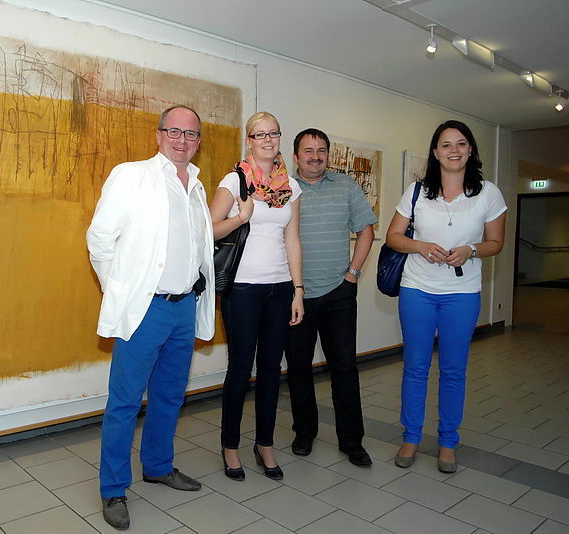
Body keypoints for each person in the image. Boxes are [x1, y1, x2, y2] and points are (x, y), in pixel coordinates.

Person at [86, 105, 215, 530]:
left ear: (198, 142)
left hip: (184, 307)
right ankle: (113, 488)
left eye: (190, 134)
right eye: (174, 131)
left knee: (170, 396)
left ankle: (158, 466)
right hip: (146, 309)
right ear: (158, 135)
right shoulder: (131, 175)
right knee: (125, 402)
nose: (182, 140)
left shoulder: (196, 186)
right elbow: (99, 240)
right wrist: (122, 291)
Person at [386, 120, 506, 472]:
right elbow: (393, 237)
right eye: (446, 144)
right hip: (417, 290)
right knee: (415, 367)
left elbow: (496, 243)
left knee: (454, 370)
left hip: (462, 293)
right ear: (435, 152)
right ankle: (411, 437)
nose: (454, 150)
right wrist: (420, 246)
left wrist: (471, 250)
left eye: (461, 143)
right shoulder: (416, 191)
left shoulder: (488, 193)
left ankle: (448, 441)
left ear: (470, 150)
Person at [209, 112, 303, 481]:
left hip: (280, 288)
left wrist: (298, 290)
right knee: (239, 369)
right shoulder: (235, 180)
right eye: (259, 134)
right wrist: (240, 217)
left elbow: (292, 240)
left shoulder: (290, 187)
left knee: (270, 370)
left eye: (273, 133)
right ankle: (230, 446)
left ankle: (264, 443)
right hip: (243, 289)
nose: (267, 140)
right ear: (249, 140)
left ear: (279, 138)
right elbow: (207, 230)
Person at [285, 128, 377, 466]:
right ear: (296, 156)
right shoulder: (283, 189)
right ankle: (304, 432)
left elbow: (366, 230)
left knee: (345, 368)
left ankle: (352, 441)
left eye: (321, 150)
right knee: (298, 368)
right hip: (295, 295)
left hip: (339, 293)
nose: (315, 156)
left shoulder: (346, 186)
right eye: (308, 151)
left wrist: (353, 275)